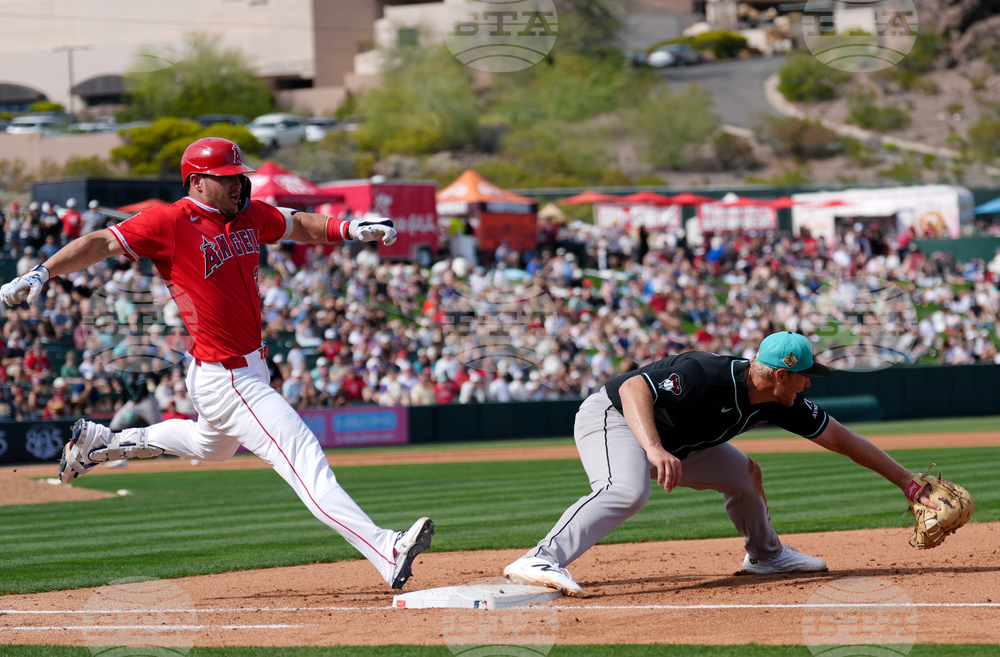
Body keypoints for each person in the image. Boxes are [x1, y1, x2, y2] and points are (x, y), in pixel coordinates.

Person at [0, 137, 433, 591]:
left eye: (239, 177)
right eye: (226, 178)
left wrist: (351, 228)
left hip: (238, 370)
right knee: (303, 456)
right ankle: (385, 548)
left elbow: (297, 223)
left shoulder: (247, 215)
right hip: (227, 378)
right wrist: (43, 270)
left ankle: (104, 443)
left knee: (211, 446)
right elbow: (102, 241)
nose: (237, 185)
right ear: (197, 182)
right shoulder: (170, 221)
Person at [503, 331, 944, 597]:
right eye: (805, 376)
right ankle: (540, 558)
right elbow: (634, 388)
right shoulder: (704, 373)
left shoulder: (782, 400)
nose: (809, 384)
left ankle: (766, 556)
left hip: (677, 442)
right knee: (627, 490)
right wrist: (653, 448)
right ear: (780, 375)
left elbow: (842, 440)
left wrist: (907, 482)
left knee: (744, 475)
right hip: (615, 417)